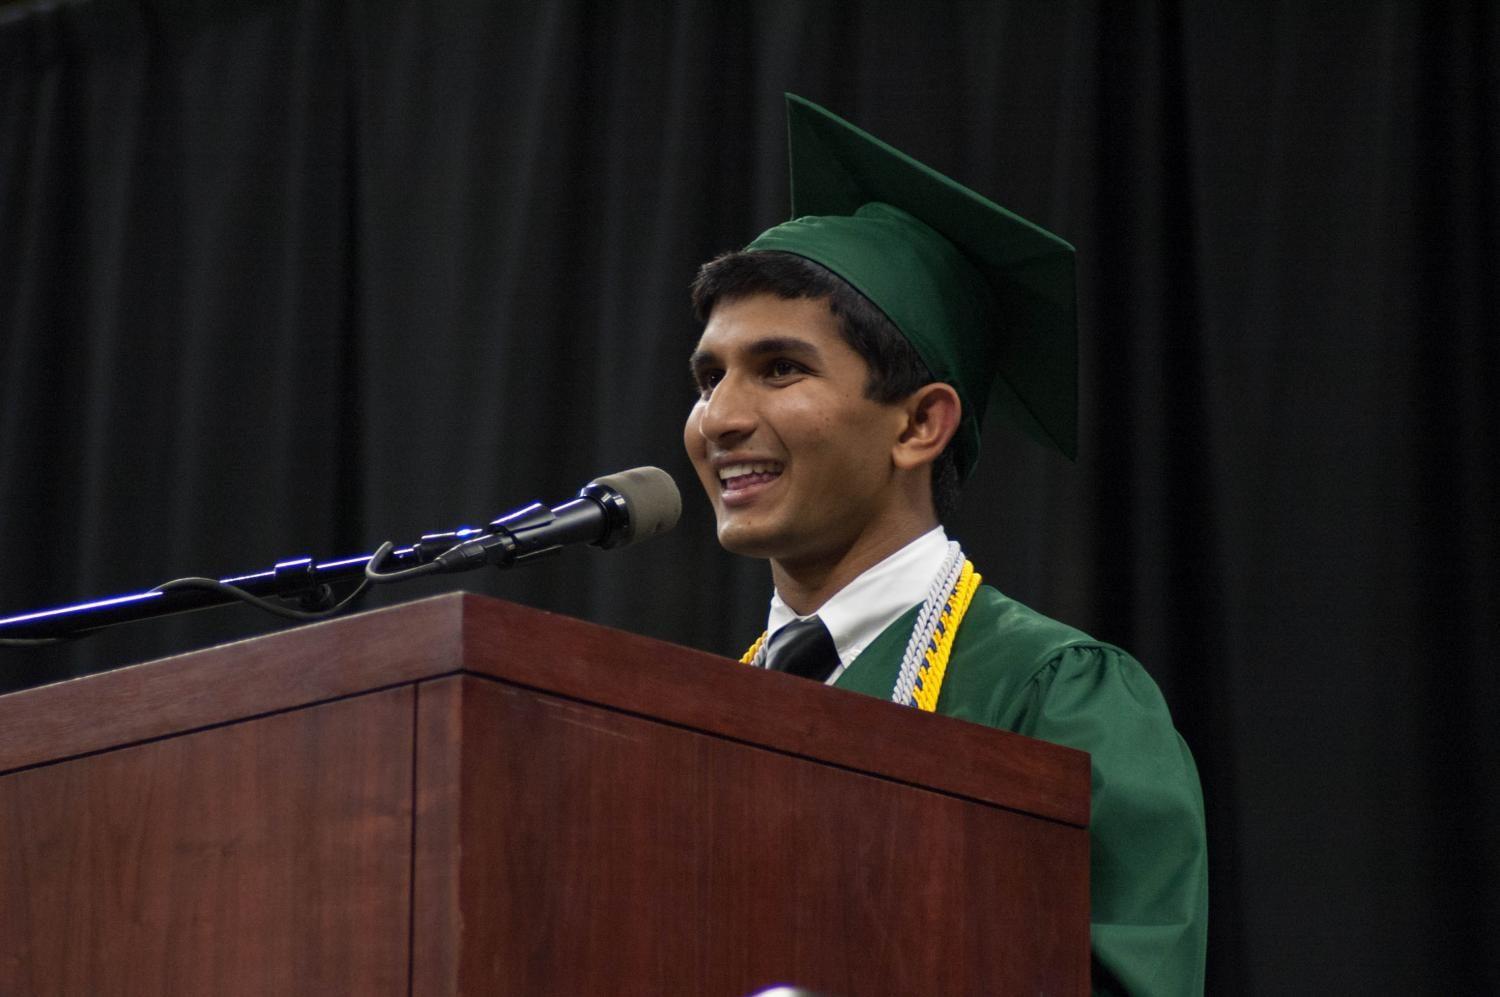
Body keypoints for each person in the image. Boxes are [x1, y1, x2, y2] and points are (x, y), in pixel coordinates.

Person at [682, 95, 1208, 996]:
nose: (720, 419)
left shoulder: (1059, 699)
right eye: (707, 378)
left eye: (780, 369)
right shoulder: (690, 718)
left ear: (921, 423)